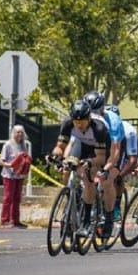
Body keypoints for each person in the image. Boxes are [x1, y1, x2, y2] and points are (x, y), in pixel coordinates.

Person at [50, 100, 111, 238]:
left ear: (89, 118)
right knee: (67, 167)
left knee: (88, 178)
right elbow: (60, 147)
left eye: (82, 122)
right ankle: (72, 196)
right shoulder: (67, 124)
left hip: (98, 151)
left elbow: (100, 158)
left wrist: (88, 163)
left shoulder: (99, 129)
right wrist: (55, 156)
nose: (79, 125)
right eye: (76, 123)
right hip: (81, 145)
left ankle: (87, 221)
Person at [83, 91, 124, 231]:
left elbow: (115, 151)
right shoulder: (83, 118)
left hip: (113, 147)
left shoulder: (112, 121)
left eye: (96, 112)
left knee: (107, 181)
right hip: (95, 144)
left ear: (102, 109)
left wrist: (106, 169)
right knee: (86, 176)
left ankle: (109, 217)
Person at [0, 125, 31, 228]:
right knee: (8, 197)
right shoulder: (8, 145)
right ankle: (5, 219)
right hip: (9, 175)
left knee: (17, 198)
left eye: (21, 132)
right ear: (13, 133)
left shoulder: (23, 145)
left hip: (19, 175)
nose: (20, 134)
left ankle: (15, 220)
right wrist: (12, 165)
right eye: (17, 132)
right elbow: (1, 161)